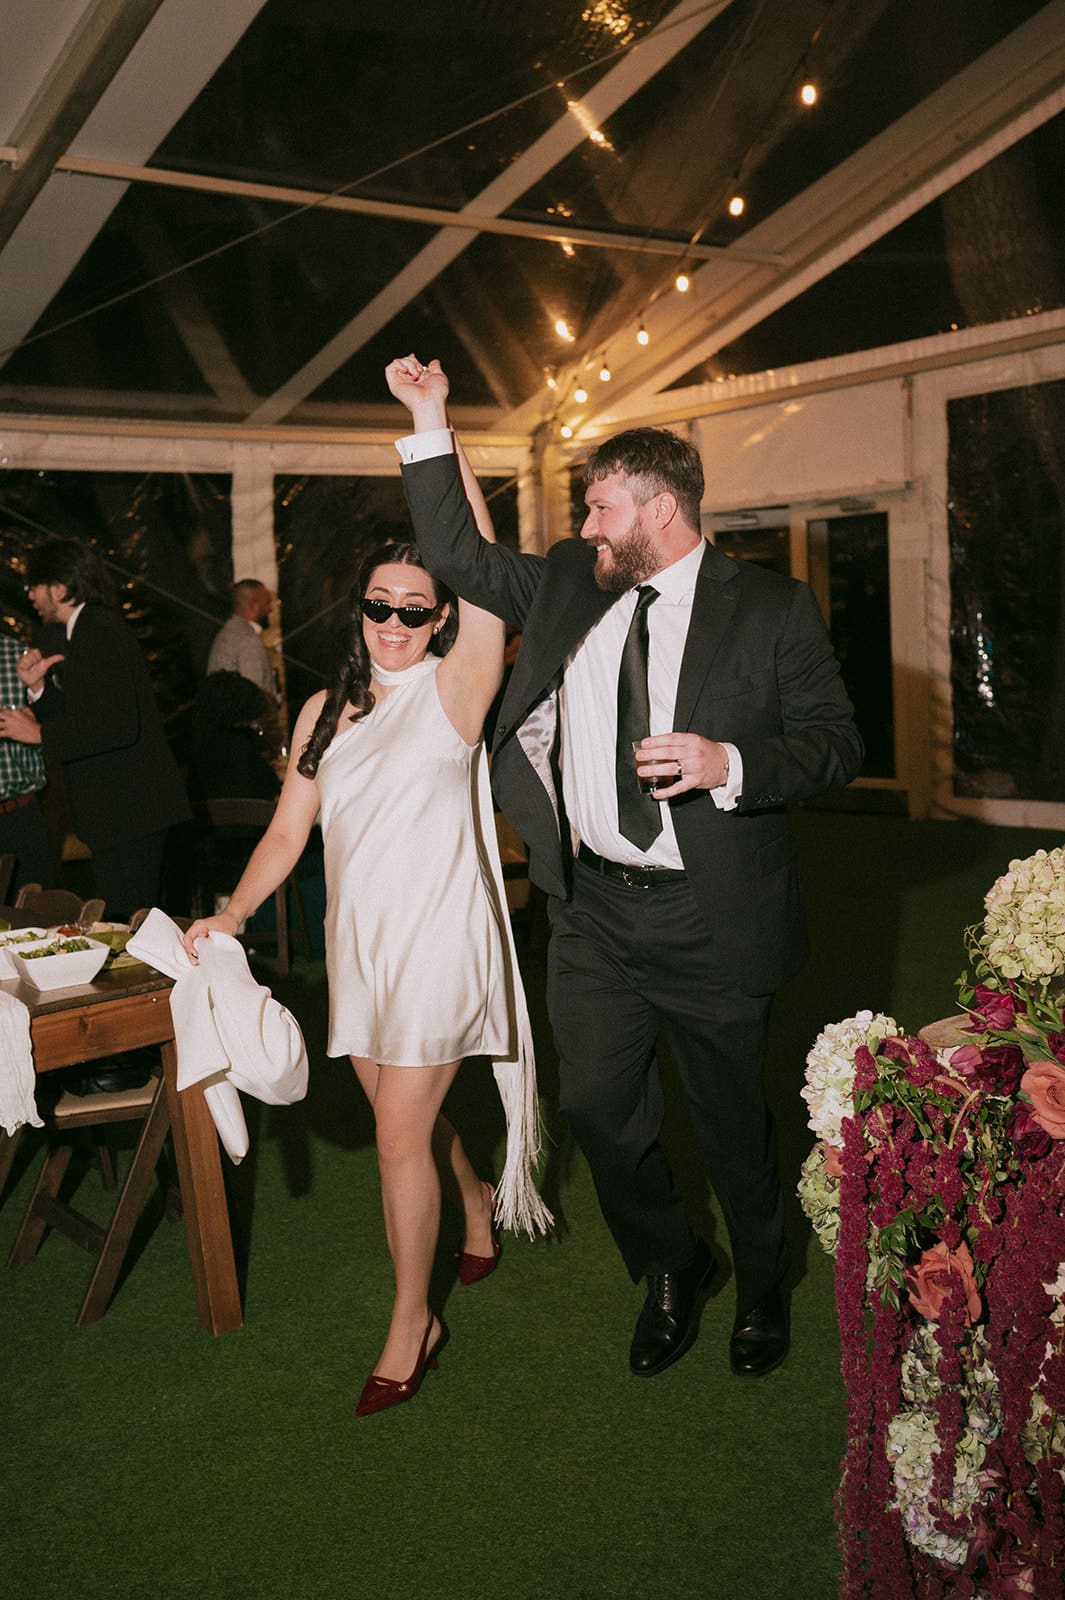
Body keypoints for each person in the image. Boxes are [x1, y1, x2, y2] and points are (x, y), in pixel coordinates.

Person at [389, 352, 864, 1381]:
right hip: (594, 914)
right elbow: (459, 554)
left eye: (602, 507)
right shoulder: (569, 579)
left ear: (656, 508)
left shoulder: (771, 609)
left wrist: (727, 762)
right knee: (602, 1112)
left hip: (711, 914)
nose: (588, 526)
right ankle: (670, 1263)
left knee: (735, 1125)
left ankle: (765, 1281)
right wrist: (430, 418)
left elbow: (836, 744)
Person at [182, 416, 549, 1419]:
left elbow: (481, 573)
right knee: (410, 1121)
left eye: (413, 609)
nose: (392, 623)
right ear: (357, 609)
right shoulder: (317, 712)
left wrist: (441, 443)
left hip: (439, 943)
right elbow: (287, 834)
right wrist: (232, 911)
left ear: (440, 619)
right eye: (377, 605)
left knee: (396, 1134)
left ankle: (409, 1324)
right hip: (362, 950)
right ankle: (472, 1201)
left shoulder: (459, 689)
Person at [0, 540, 191, 923]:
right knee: (130, 926)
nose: (31, 597)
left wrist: (39, 735)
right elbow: (81, 717)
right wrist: (38, 689)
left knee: (134, 929)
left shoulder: (100, 630)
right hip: (118, 812)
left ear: (59, 587)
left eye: (33, 586)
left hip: (133, 808)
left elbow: (117, 726)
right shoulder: (75, 632)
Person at [0, 631, 52, 895]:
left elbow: (63, 723)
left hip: (19, 814)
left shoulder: (20, 657)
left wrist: (36, 726)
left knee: (32, 920)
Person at [207, 579, 279, 704]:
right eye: (267, 603)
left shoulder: (228, 633)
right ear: (253, 605)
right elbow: (252, 694)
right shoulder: (248, 639)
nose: (270, 609)